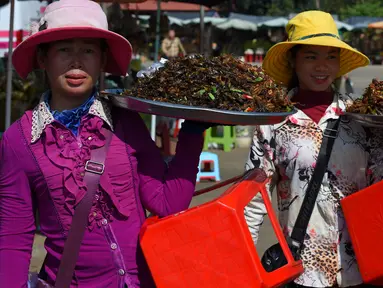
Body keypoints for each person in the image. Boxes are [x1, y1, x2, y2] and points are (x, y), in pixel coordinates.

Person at [0, 1, 212, 287]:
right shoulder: (18, 141)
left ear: (101, 59)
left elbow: (167, 202)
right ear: (42, 58)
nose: (76, 61)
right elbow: (13, 240)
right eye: (64, 49)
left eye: (88, 50)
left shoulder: (126, 119)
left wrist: (192, 132)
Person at [244, 11, 372, 287]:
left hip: (361, 267)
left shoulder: (361, 119)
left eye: (330, 56)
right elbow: (253, 200)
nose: (322, 66)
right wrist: (241, 263)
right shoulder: (273, 122)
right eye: (311, 56)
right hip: (303, 271)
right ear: (293, 60)